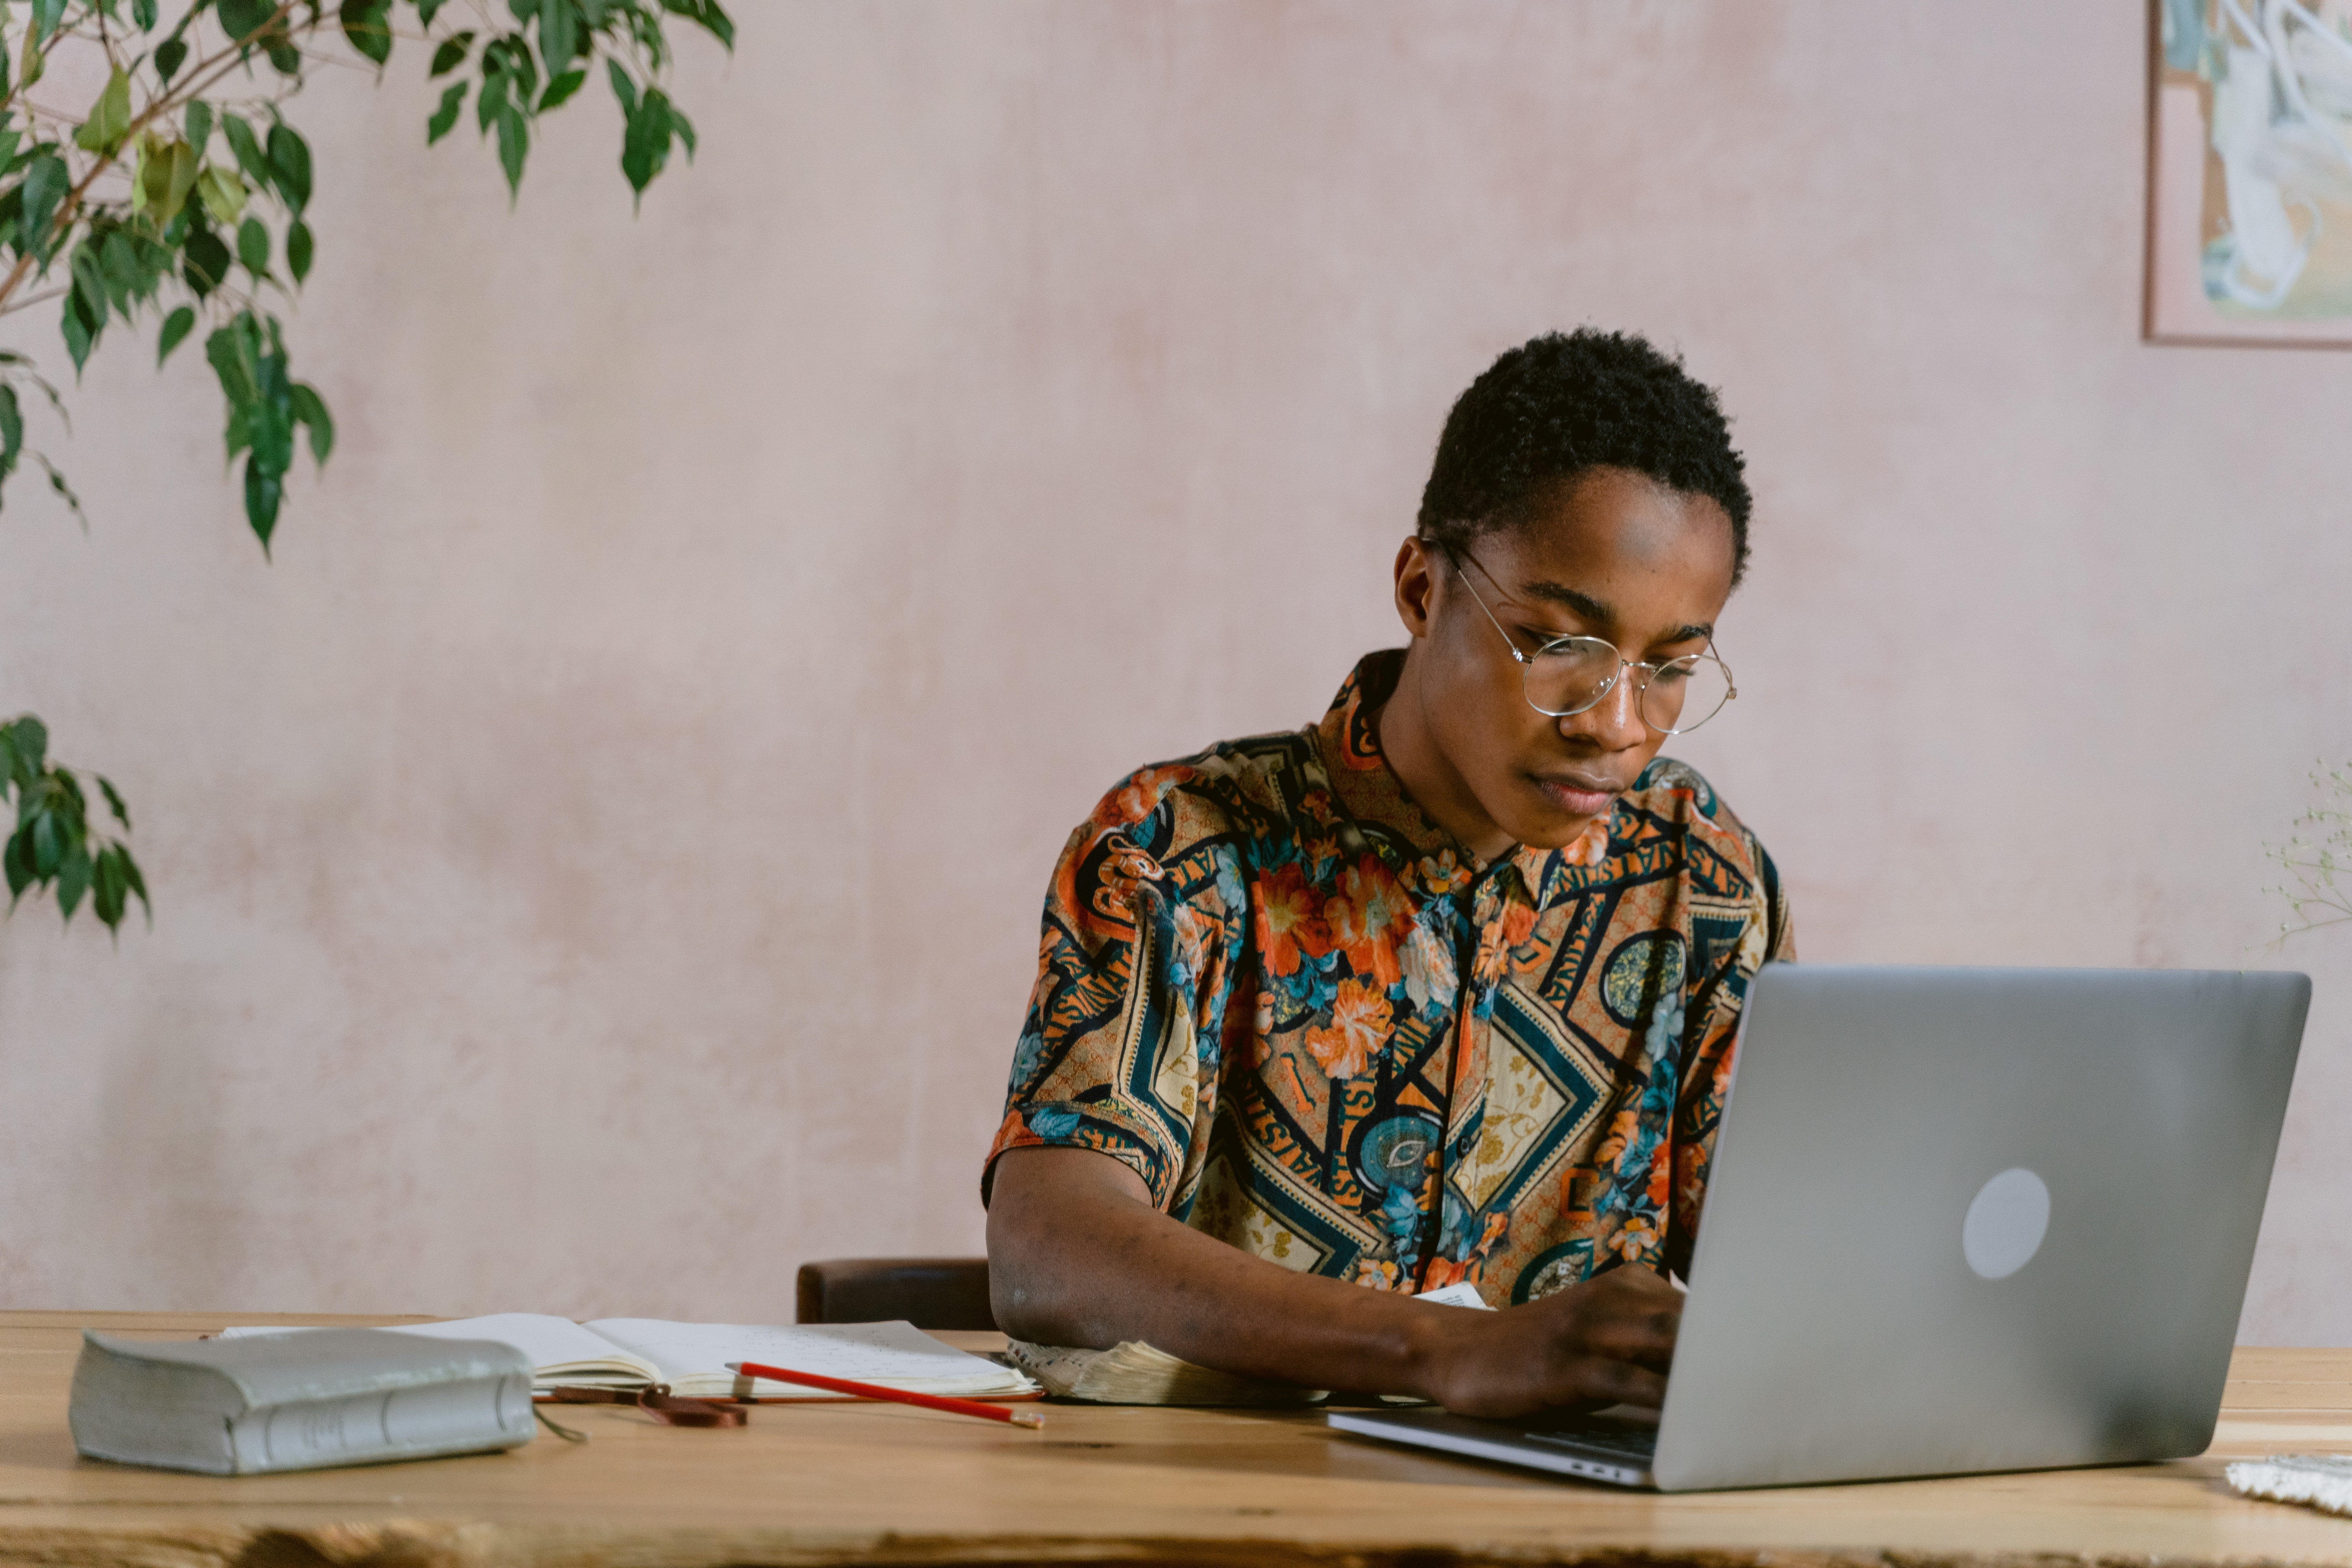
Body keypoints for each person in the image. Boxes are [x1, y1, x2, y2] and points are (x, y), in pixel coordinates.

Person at [983, 329, 1793, 1419]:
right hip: (1225, 1512)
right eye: (1562, 644)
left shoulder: (1706, 880)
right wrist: (1442, 1351)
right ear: (1421, 588)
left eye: (1670, 669)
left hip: (1565, 1529)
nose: (1616, 723)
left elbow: (1791, 1265)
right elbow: (1051, 1247)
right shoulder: (1183, 850)